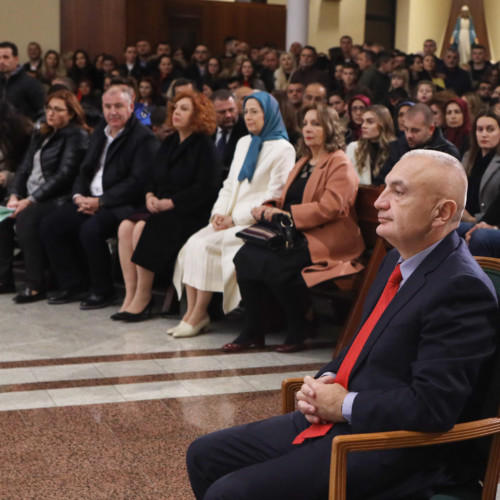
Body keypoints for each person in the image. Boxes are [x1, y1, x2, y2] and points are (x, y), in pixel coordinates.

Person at [186, 149, 498, 500]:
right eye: (384, 189)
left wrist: (344, 404)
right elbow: (363, 347)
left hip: (397, 449)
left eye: (398, 192)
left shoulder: (461, 288)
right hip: (345, 420)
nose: (379, 202)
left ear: (443, 212)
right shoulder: (397, 258)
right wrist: (324, 380)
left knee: (231, 493)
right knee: (204, 454)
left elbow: (432, 406)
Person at [223, 103, 364, 353]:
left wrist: (285, 214)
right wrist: (267, 207)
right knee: (245, 257)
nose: (308, 129)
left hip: (328, 238)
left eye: (316, 124)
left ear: (330, 129)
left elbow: (329, 209)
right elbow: (287, 199)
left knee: (278, 266)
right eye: (306, 123)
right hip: (297, 233)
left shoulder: (339, 162)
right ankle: (253, 329)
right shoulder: (305, 161)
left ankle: (300, 327)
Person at [171, 92, 296, 337]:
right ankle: (193, 312)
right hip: (228, 218)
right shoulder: (243, 142)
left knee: (204, 247)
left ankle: (198, 314)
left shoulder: (283, 149)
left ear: (269, 114)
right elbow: (229, 184)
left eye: (255, 111)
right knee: (193, 243)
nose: (248, 117)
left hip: (254, 222)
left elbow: (273, 197)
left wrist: (235, 219)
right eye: (246, 111)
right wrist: (218, 214)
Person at [39, 85, 158, 309]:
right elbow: (84, 170)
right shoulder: (101, 131)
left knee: (90, 230)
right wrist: (77, 196)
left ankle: (103, 291)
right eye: (107, 106)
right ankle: (73, 284)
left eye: (119, 106)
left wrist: (102, 202)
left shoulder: (143, 138)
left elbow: (137, 182)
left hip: (123, 205)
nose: (112, 112)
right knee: (51, 225)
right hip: (90, 200)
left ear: (131, 107)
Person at [113, 91, 219, 321]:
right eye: (176, 108)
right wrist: (150, 195)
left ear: (198, 115)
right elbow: (152, 175)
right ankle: (130, 294)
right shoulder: (170, 141)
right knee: (125, 228)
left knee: (141, 228)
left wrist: (172, 203)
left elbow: (206, 187)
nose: (177, 112)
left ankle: (144, 296)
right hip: (160, 205)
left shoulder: (204, 145)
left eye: (184, 108)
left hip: (189, 211)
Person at [0, 90, 90, 302]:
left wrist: (29, 200)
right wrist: (14, 195)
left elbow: (64, 176)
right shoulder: (41, 132)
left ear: (71, 113)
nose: (51, 113)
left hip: (58, 198)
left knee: (26, 219)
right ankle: (4, 279)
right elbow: (24, 168)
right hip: (31, 195)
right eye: (49, 108)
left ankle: (35, 284)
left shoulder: (77, 135)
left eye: (58, 110)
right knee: (3, 215)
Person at [378, 103, 460, 183]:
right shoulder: (397, 146)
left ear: (431, 129)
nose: (409, 135)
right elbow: (382, 181)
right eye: (406, 129)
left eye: (415, 130)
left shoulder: (447, 153)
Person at [458, 111, 500, 257]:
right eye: (479, 129)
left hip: (491, 222)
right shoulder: (468, 157)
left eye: (490, 129)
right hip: (462, 217)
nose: (484, 134)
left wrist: (474, 219)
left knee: (477, 236)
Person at [346, 104, 396, 184]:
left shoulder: (396, 149)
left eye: (370, 122)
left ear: (383, 124)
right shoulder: (354, 148)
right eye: (363, 122)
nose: (363, 126)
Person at [0, 41, 46, 121]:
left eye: (6, 57)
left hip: (22, 131)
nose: (1, 61)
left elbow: (43, 112)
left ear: (16, 59)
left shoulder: (31, 84)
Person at [210, 89, 248, 179]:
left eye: (231, 110)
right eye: (222, 112)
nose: (228, 115)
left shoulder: (247, 131)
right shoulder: (206, 131)